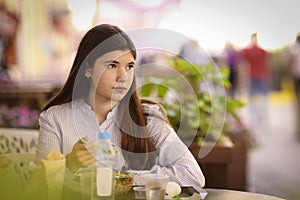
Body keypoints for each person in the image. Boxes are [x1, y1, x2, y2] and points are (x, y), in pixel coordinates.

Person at [35, 24, 205, 191]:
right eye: (112, 65)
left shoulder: (147, 118)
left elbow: (192, 174)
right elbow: (39, 188)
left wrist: (125, 178)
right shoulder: (54, 118)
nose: (123, 76)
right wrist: (69, 164)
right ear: (88, 69)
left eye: (129, 66)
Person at [241, 33, 270, 127]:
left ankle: (254, 119)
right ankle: (263, 118)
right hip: (261, 76)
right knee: (263, 98)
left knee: (253, 99)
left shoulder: (248, 51)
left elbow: (243, 60)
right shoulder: (262, 51)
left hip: (253, 76)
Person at [288, 33, 300, 140]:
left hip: (297, 79)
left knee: (297, 105)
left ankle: (298, 131)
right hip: (297, 80)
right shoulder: (294, 49)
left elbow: (291, 64)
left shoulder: (294, 49)